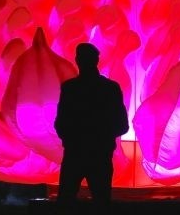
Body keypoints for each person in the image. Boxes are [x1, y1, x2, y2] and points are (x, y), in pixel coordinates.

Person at [54, 43, 128, 205]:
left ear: (77, 60)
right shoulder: (110, 88)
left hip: (75, 153)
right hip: (99, 155)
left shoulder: (70, 88)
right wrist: (103, 137)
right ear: (96, 60)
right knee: (101, 203)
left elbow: (60, 122)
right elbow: (122, 124)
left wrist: (72, 139)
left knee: (66, 202)